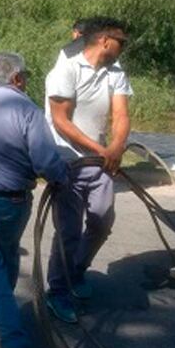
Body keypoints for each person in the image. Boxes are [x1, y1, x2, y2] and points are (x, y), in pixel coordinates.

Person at [0, 53, 68, 348]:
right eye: (26, 77)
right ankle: (14, 340)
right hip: (10, 201)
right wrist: (62, 178)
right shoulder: (27, 110)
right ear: (17, 78)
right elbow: (46, 161)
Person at [44, 17, 132, 324]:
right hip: (67, 161)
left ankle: (76, 271)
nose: (125, 47)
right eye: (123, 41)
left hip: (101, 160)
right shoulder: (66, 68)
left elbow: (120, 114)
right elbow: (61, 121)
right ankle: (57, 292)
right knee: (68, 231)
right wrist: (102, 151)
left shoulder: (115, 72)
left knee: (102, 219)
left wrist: (117, 146)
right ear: (106, 40)